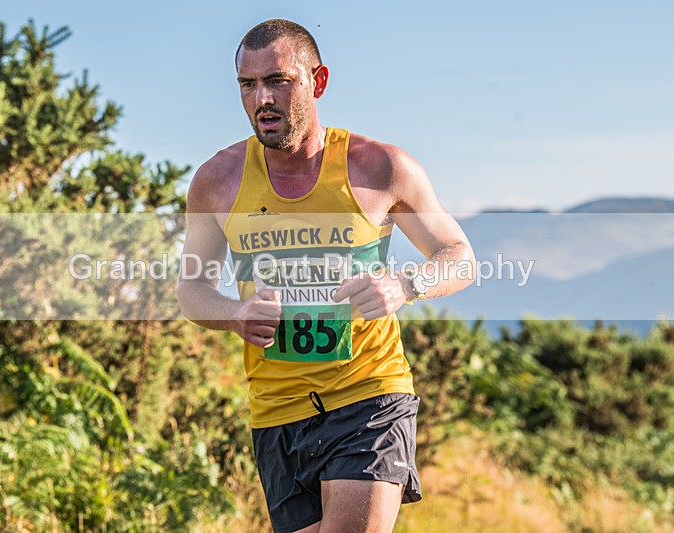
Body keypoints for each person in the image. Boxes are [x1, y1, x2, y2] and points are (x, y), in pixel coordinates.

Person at [177, 19, 475, 533]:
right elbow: (192, 289)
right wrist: (234, 314)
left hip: (369, 393)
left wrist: (404, 285)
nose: (262, 99)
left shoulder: (380, 167)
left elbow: (459, 255)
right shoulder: (217, 181)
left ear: (318, 82)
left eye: (278, 81)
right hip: (277, 410)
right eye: (248, 85)